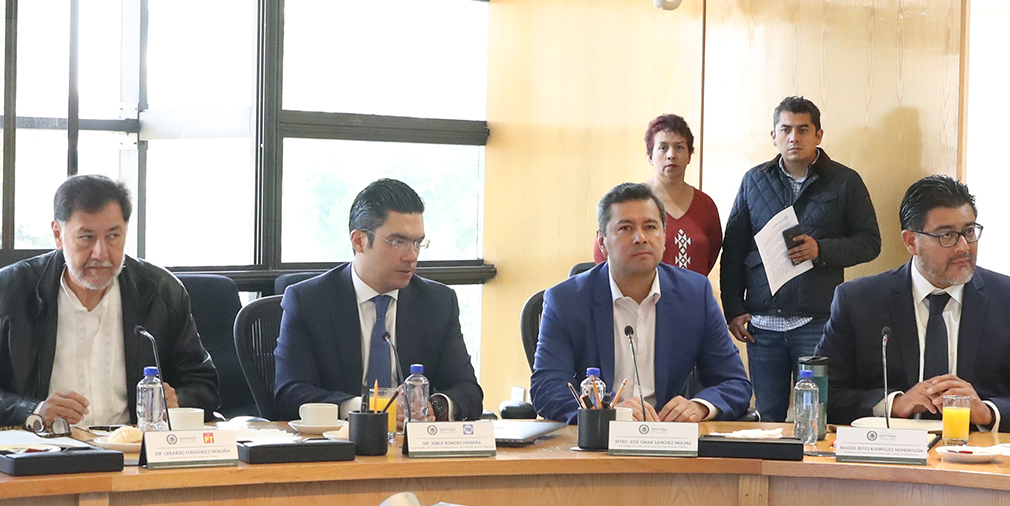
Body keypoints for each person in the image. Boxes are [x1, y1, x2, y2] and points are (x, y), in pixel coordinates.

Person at [0, 174, 219, 431]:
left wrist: (177, 401)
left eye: (113, 236)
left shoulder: (162, 293)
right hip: (42, 452)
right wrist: (33, 411)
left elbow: (204, 385)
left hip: (135, 452)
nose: (101, 253)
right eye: (86, 237)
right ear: (58, 235)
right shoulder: (4, 294)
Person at [819, 175, 1010, 430]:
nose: (963, 247)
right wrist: (893, 404)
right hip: (890, 450)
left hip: (981, 448)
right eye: (947, 235)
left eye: (969, 232)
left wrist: (988, 412)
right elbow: (822, 394)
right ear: (911, 241)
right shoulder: (858, 301)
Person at [720, 97, 881, 420]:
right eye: (786, 130)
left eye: (803, 130)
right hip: (763, 324)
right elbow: (733, 249)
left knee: (817, 415)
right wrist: (734, 308)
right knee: (767, 417)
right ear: (773, 136)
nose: (794, 137)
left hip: (817, 321)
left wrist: (821, 250)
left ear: (818, 135)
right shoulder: (754, 180)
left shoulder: (845, 181)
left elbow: (870, 243)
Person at [534, 183, 751, 424]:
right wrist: (607, 414)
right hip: (599, 437)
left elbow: (734, 382)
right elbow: (547, 388)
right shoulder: (566, 300)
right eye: (625, 228)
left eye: (650, 227)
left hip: (667, 433)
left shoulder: (695, 294)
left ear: (664, 236)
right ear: (602, 241)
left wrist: (699, 407)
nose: (640, 238)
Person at [272, 178, 484, 420]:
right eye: (397, 242)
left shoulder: (437, 302)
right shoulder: (308, 301)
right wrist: (369, 407)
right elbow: (290, 394)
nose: (411, 256)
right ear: (359, 241)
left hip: (410, 440)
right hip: (338, 438)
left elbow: (467, 390)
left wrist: (434, 407)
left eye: (417, 243)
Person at [590, 114, 721, 276]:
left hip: (694, 291)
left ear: (689, 156)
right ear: (651, 156)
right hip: (640, 291)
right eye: (663, 148)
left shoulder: (705, 205)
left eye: (679, 147)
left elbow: (711, 254)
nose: (671, 155)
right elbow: (602, 253)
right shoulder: (630, 201)